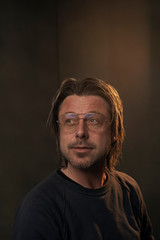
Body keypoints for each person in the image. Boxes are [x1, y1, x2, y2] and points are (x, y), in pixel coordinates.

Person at [13, 78, 154, 239]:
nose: (80, 132)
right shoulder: (38, 209)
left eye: (93, 120)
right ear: (59, 132)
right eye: (70, 121)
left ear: (114, 131)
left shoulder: (128, 190)